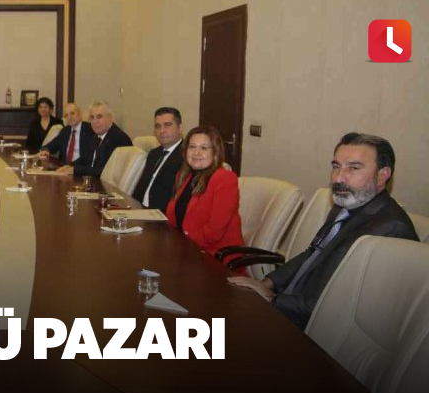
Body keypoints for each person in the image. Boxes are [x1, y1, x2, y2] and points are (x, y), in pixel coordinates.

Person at [229, 132, 419, 330]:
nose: (339, 178)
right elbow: (312, 253)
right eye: (336, 166)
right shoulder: (346, 205)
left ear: (382, 175)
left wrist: (272, 300)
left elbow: (341, 307)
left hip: (315, 329)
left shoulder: (391, 230)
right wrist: (266, 283)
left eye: (353, 168)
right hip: (288, 303)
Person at [165, 126, 244, 269]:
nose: (196, 152)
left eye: (204, 148)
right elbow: (174, 218)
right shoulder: (184, 176)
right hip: (186, 253)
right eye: (192, 147)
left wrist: (181, 247)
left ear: (215, 152)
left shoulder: (224, 179)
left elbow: (214, 232)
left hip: (214, 259)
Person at [57, 101, 131, 177]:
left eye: (99, 117)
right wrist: (69, 166)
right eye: (92, 118)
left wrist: (75, 169)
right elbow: (85, 158)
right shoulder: (96, 137)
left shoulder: (119, 138)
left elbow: (105, 170)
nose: (95, 121)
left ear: (110, 118)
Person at [133, 107, 185, 210]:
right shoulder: (154, 153)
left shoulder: (186, 157)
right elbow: (141, 187)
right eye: (158, 126)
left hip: (161, 215)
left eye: (167, 125)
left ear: (180, 128)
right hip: (139, 209)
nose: (162, 131)